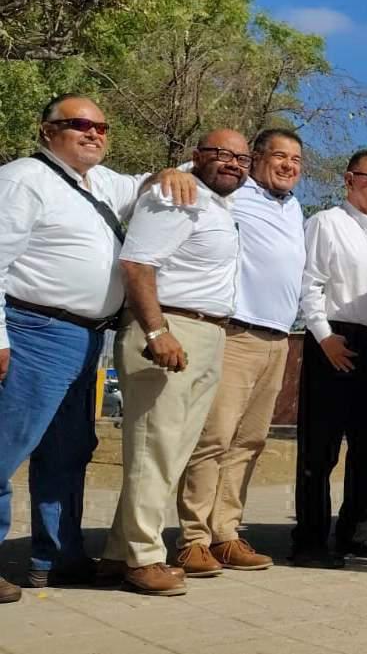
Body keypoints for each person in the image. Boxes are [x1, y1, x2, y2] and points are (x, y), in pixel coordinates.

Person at [0, 94, 193, 600]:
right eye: (79, 125)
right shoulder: (24, 179)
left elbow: (143, 183)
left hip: (86, 336)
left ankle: (56, 559)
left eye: (102, 127)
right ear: (47, 131)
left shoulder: (104, 183)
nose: (93, 134)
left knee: (68, 452)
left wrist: (169, 169)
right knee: (6, 446)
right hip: (31, 328)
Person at [103, 129, 248, 595]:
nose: (233, 163)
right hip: (170, 329)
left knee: (169, 453)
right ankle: (144, 558)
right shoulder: (175, 193)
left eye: (242, 158)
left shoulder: (216, 205)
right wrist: (156, 331)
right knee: (155, 448)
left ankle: (118, 553)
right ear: (195, 156)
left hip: (207, 332)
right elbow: (138, 264)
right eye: (221, 154)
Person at [176, 129, 304, 578]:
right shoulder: (233, 195)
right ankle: (192, 540)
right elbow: (185, 181)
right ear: (257, 159)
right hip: (236, 333)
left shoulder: (294, 208)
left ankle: (225, 533)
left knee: (249, 443)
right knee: (213, 439)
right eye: (279, 156)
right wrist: (169, 172)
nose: (289, 166)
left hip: (278, 338)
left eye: (296, 160)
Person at [292, 149, 367, 568]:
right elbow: (310, 285)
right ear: (349, 180)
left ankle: (360, 531)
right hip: (336, 341)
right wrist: (324, 338)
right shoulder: (325, 223)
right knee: (320, 447)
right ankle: (309, 539)